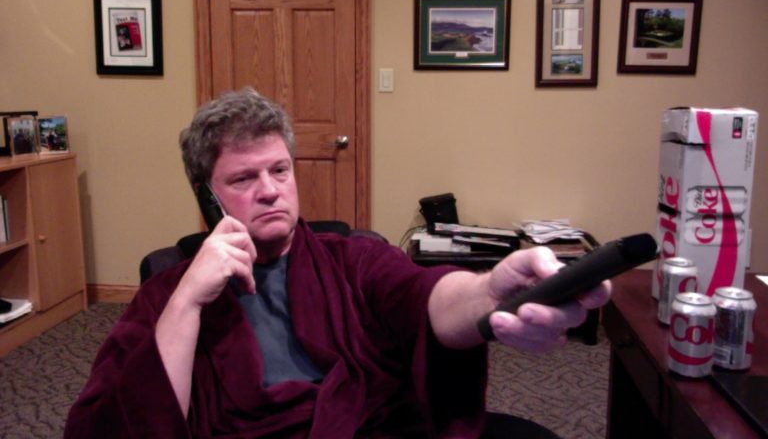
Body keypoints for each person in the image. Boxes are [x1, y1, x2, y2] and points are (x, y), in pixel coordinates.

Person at [64, 88, 610, 438]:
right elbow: (118, 423)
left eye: (280, 170)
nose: (270, 190)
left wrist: (489, 294)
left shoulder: (353, 259)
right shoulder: (165, 294)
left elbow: (424, 298)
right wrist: (187, 302)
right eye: (244, 178)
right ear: (207, 197)